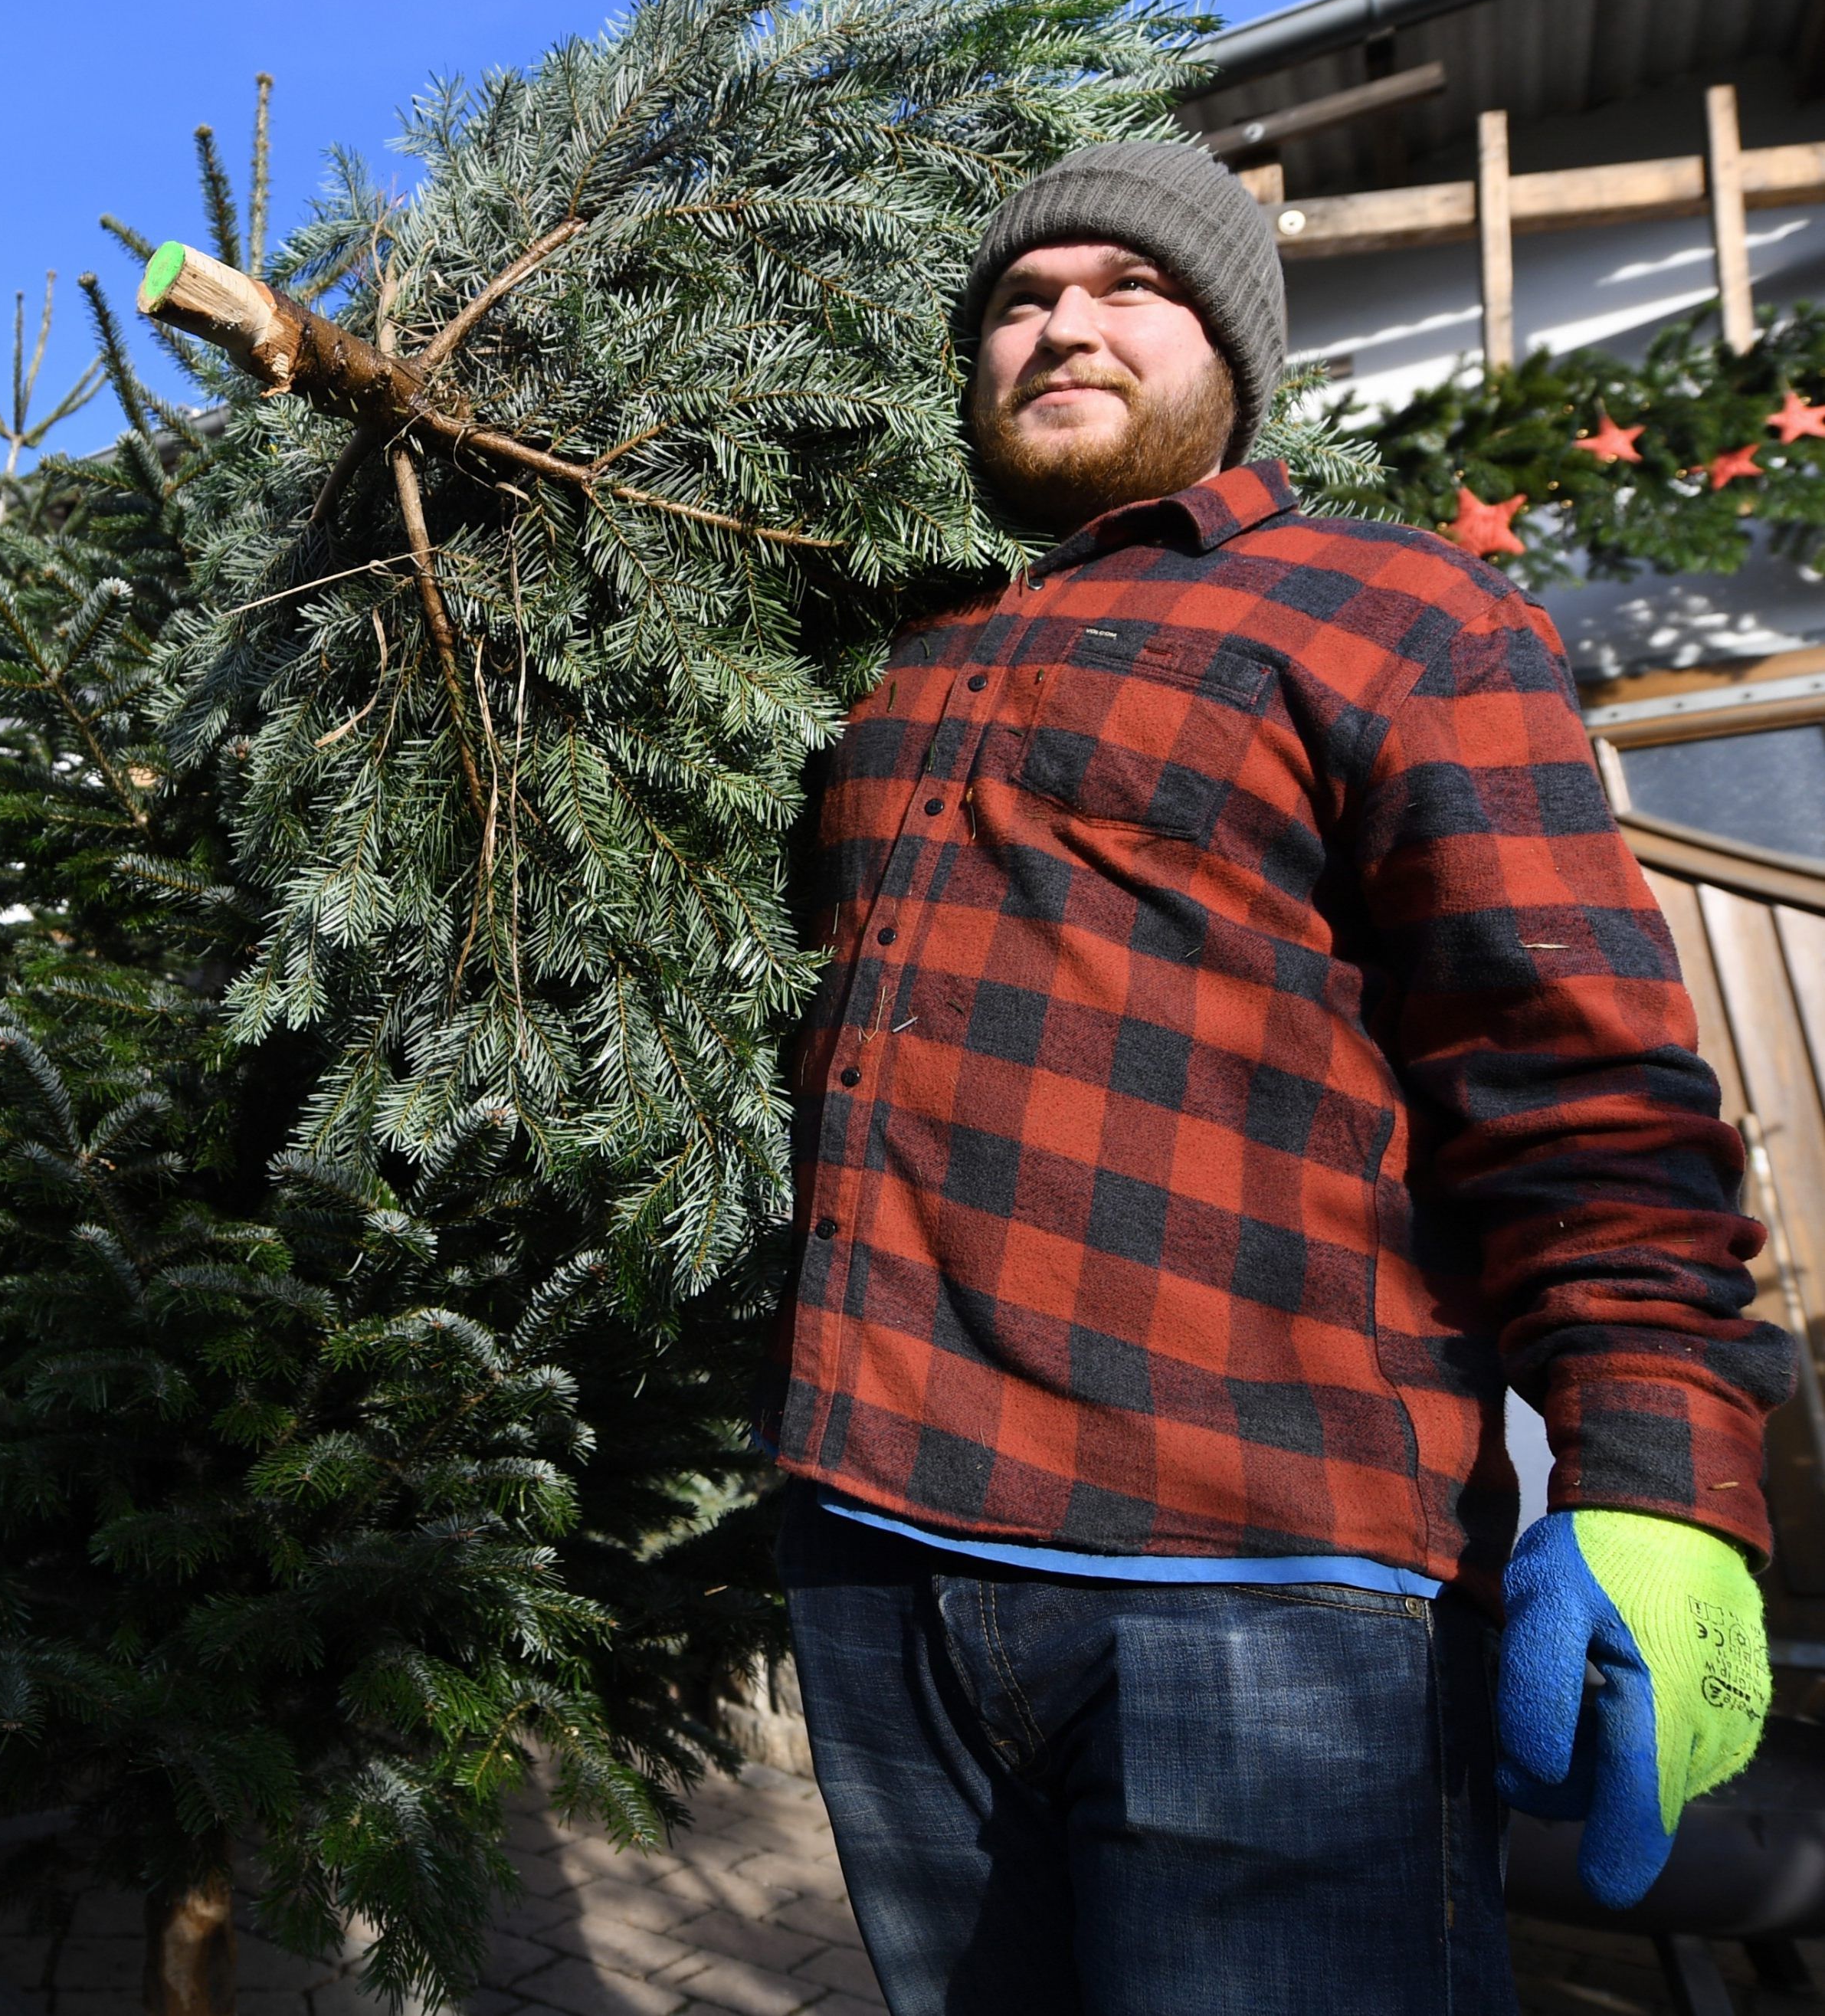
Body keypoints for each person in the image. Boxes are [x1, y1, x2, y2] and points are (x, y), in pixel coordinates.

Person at [762, 140, 1796, 2014]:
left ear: (1228, 342)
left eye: (1123, 286)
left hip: (1266, 1588)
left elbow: (1567, 1063)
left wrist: (1655, 1470)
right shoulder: (895, 659)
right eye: (1016, 299)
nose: (1061, 322)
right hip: (876, 1541)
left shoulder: (1391, 611)